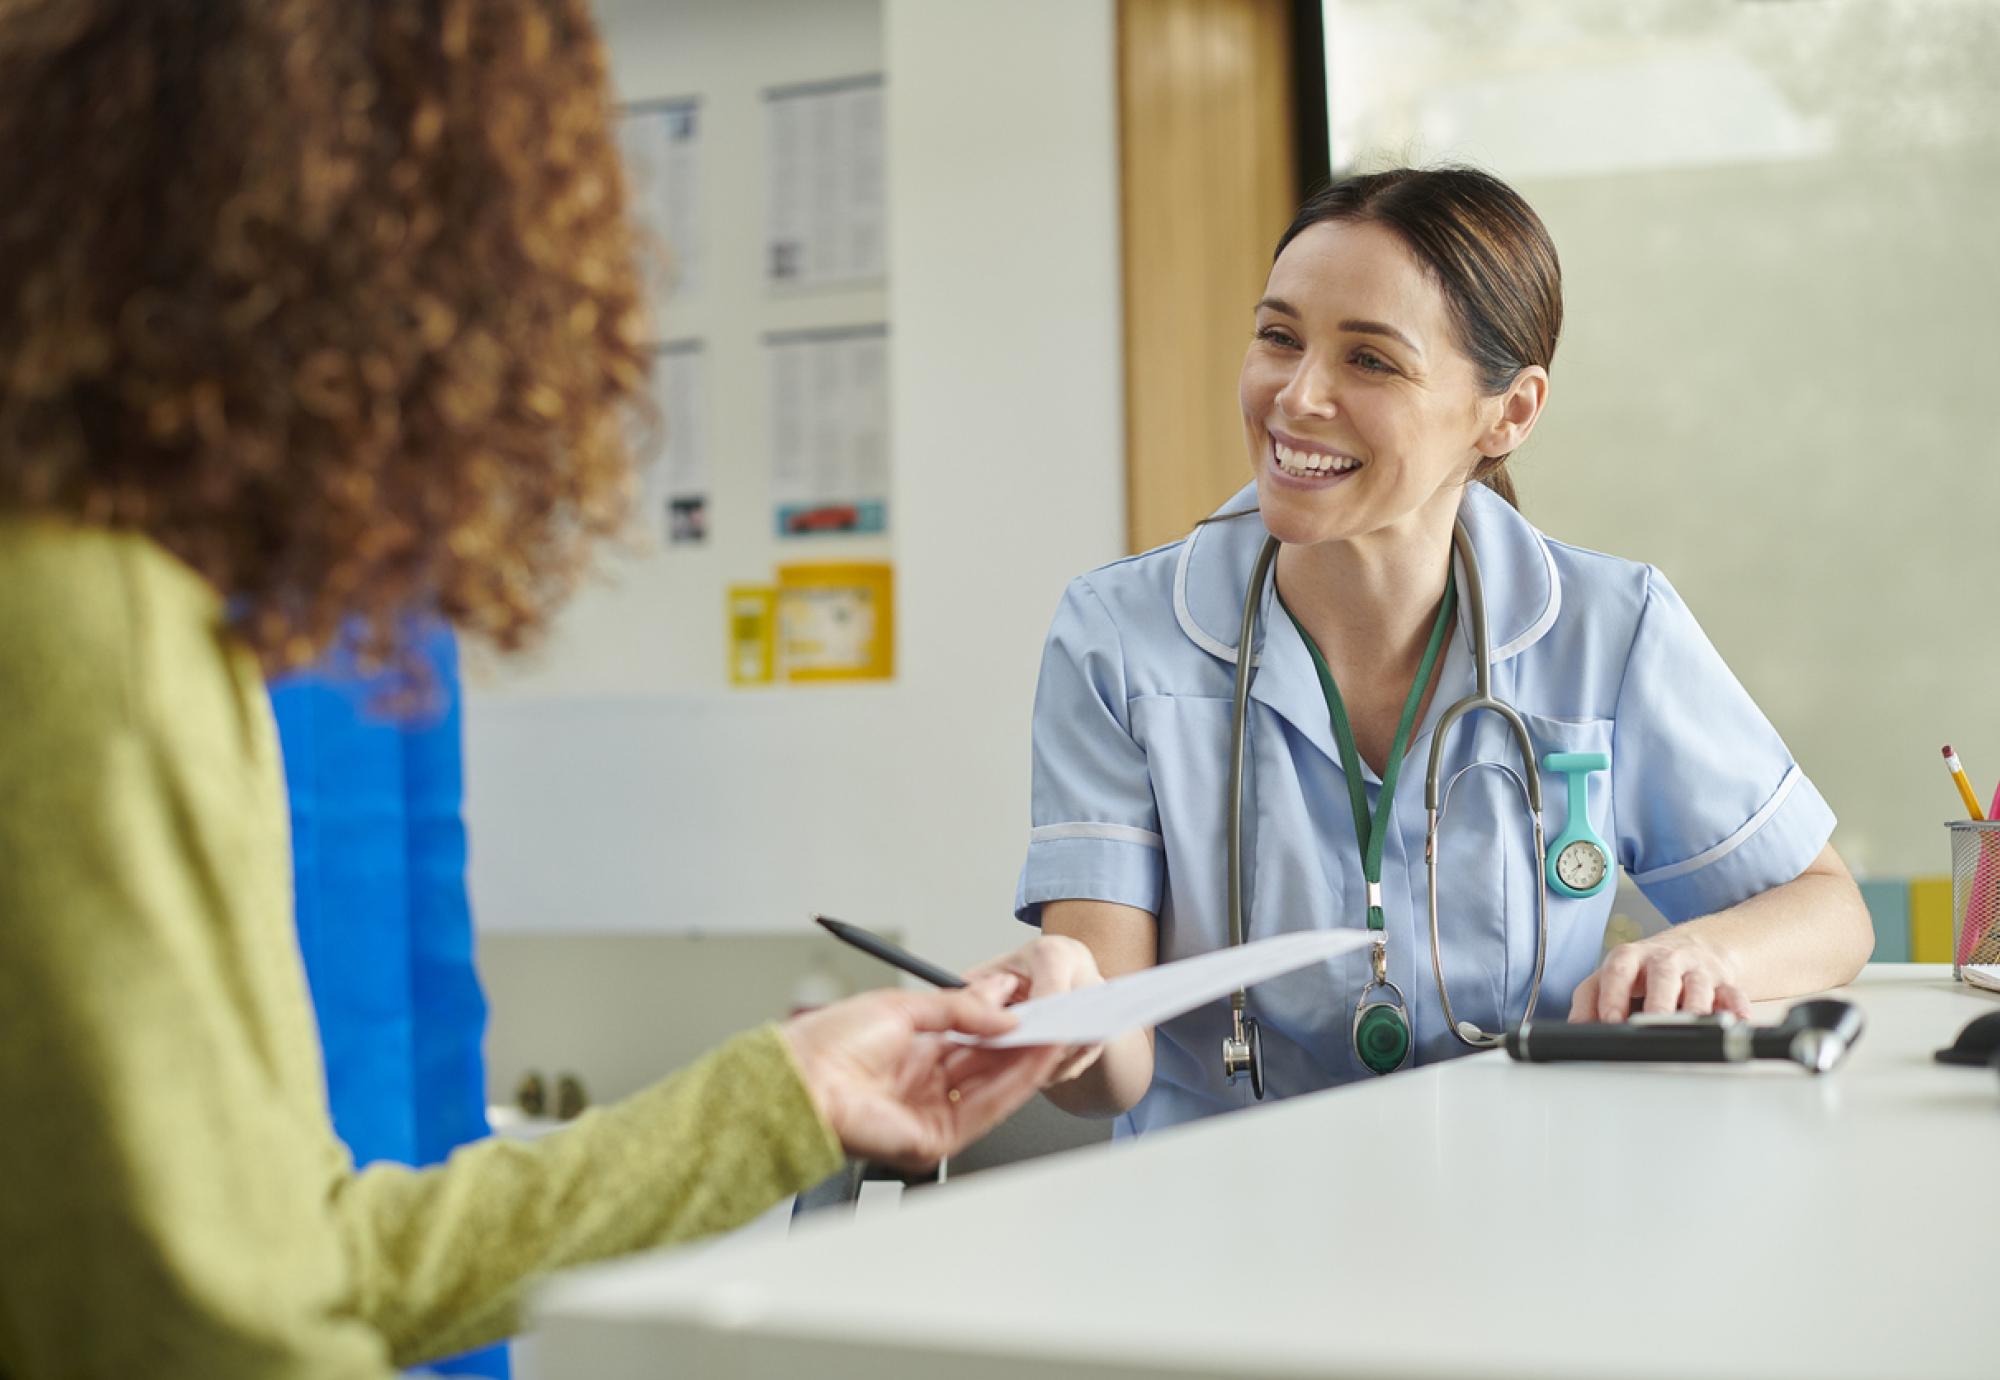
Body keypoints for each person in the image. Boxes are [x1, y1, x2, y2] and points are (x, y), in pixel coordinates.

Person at [0, 3, 1092, 1376]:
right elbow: (210, 1330)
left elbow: (304, 1251)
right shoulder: (89, 627)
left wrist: (788, 1094)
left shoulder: (110, 589)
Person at [1011, 166, 1873, 1135]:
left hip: (1522, 1199)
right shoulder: (1117, 637)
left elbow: (1826, 909)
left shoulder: (1609, 628)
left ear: (1506, 412)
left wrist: (1710, 954)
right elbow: (1107, 1071)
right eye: (1277, 337)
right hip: (1220, 1222)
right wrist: (1062, 1021)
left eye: (1368, 361)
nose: (1295, 397)